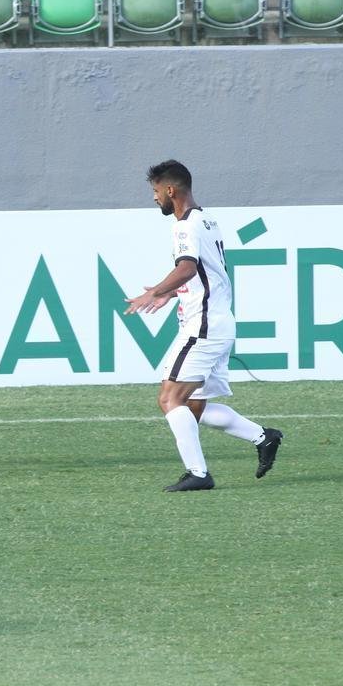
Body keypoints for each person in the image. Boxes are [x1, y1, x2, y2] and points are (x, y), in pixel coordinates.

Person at [125, 160, 283, 492]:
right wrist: (171, 294)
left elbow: (187, 267)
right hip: (219, 322)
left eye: (155, 191)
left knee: (170, 398)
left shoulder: (184, 226)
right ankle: (263, 436)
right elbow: (204, 272)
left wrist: (156, 291)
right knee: (194, 406)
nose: (154, 198)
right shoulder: (207, 220)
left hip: (203, 326)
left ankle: (198, 473)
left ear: (170, 190)